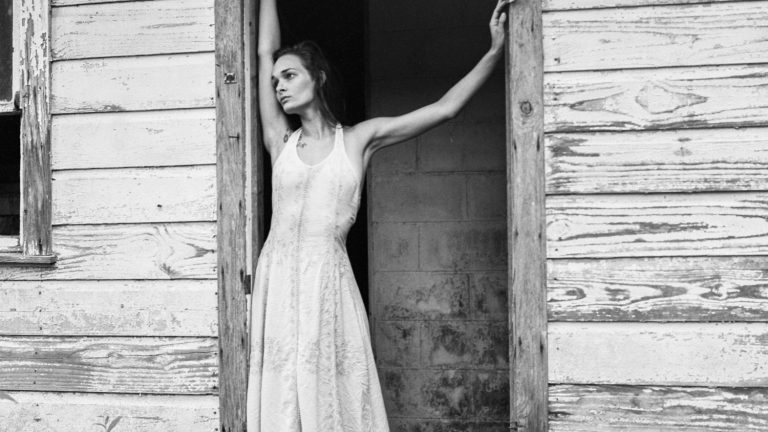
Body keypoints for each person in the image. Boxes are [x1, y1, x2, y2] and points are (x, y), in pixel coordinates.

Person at [247, 0, 512, 430]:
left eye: (290, 75)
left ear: (318, 77)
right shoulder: (280, 140)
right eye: (276, 80)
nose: (279, 86)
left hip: (327, 282)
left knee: (330, 395)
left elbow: (444, 108)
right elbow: (264, 53)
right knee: (283, 398)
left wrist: (495, 50)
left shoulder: (357, 140)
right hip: (277, 279)